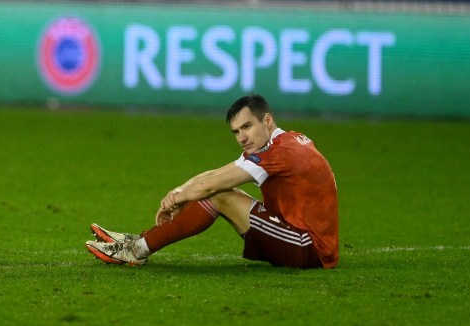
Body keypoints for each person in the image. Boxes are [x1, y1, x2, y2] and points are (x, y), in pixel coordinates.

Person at [86, 93, 339, 270]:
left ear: (268, 120)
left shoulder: (281, 152)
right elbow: (216, 174)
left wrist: (180, 198)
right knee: (220, 190)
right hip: (296, 235)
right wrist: (179, 191)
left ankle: (137, 249)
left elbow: (212, 187)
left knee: (220, 194)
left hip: (311, 249)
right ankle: (137, 242)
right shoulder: (283, 142)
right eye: (236, 132)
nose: (241, 137)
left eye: (247, 127)